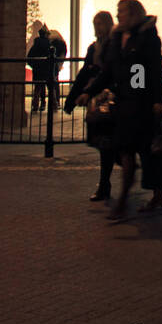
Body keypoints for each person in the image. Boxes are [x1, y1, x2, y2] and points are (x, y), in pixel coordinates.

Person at [77, 0, 162, 223]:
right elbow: (108, 71)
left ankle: (123, 202)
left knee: (135, 151)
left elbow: (154, 70)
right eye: (118, 12)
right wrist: (90, 91)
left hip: (140, 105)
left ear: (134, 13)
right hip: (126, 103)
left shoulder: (146, 38)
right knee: (134, 151)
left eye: (123, 12)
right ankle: (155, 194)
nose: (119, 16)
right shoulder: (118, 38)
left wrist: (157, 99)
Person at [65, 11, 115, 201]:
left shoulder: (113, 46)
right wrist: (72, 99)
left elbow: (108, 74)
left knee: (108, 143)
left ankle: (105, 184)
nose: (97, 27)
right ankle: (105, 183)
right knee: (105, 143)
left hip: (110, 100)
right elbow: (83, 75)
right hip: (98, 101)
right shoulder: (94, 48)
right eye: (95, 23)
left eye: (100, 23)